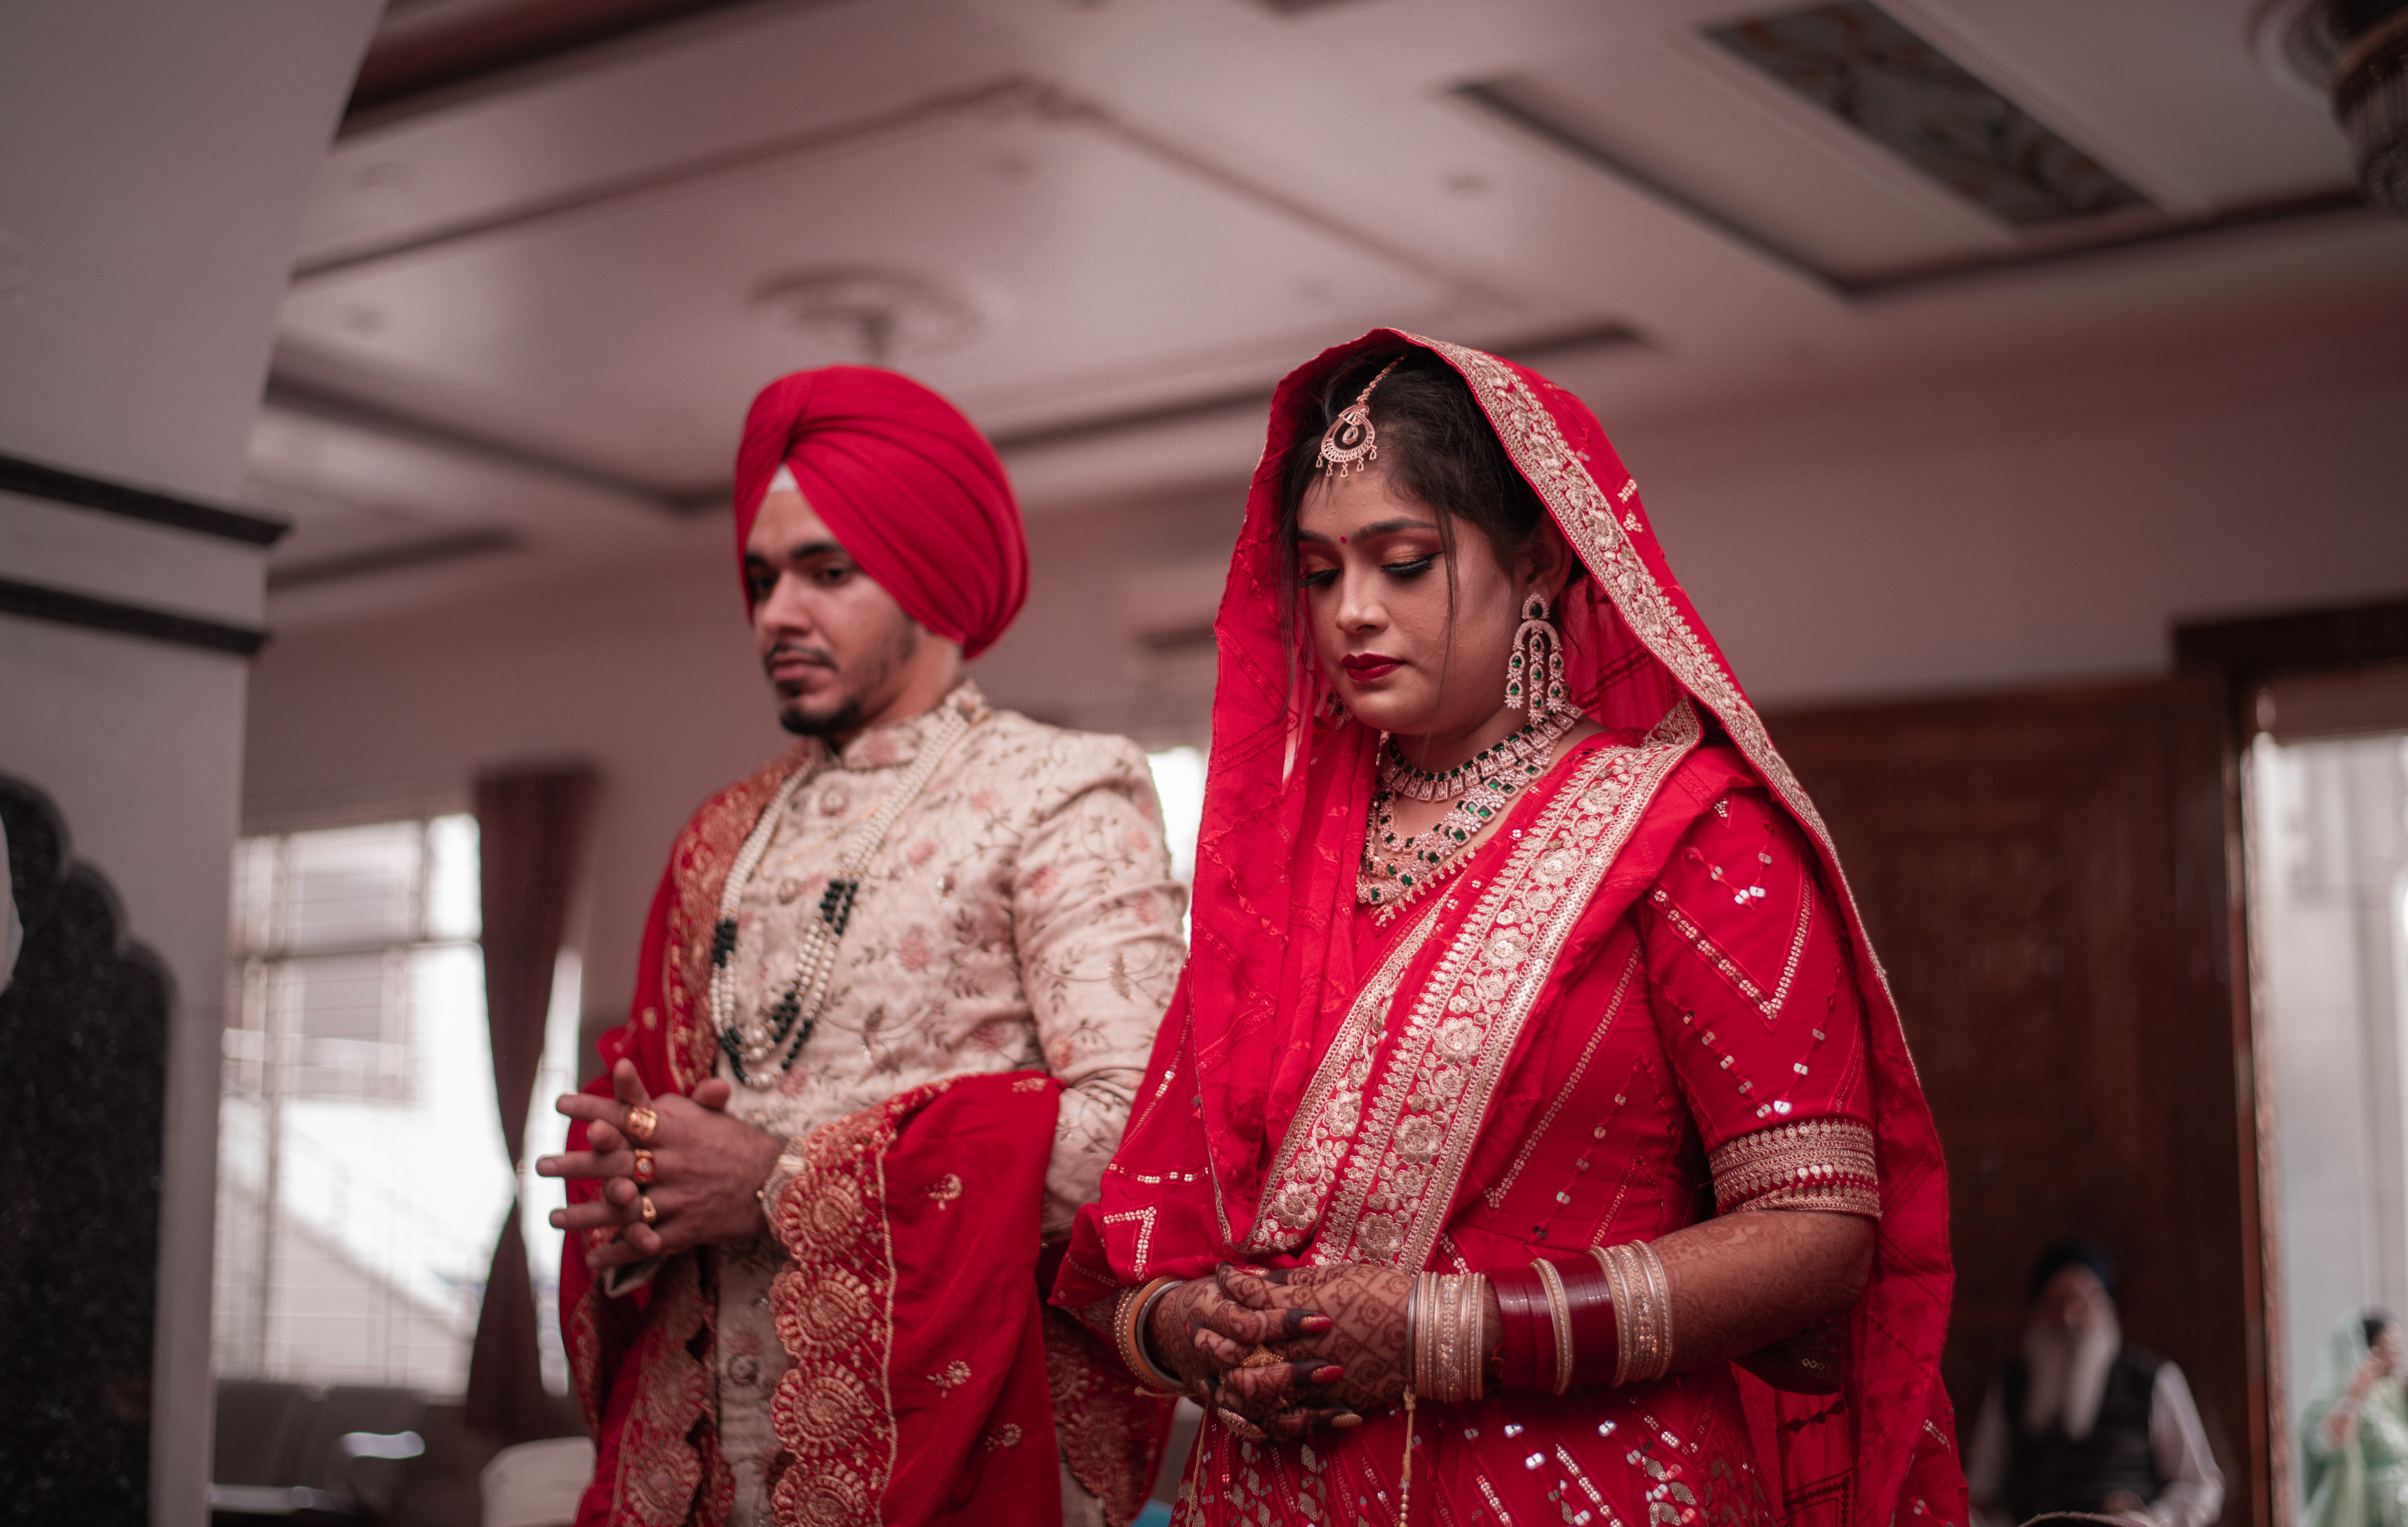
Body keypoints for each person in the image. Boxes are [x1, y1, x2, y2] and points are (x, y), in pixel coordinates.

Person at [1050, 332, 1966, 1525]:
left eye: (1404, 561)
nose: (1352, 613)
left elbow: (1814, 1230)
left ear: (1534, 562)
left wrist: (1445, 1335)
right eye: (1321, 573)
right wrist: (1183, 1330)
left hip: (1582, 1488)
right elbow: (1140, 1246)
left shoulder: (1691, 836)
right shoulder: (1278, 871)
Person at [535, 366, 1185, 1527]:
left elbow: (1140, 1139)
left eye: (827, 572)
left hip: (959, 1441)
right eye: (760, 576)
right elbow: (675, 1124)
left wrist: (780, 1185)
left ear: (933, 575)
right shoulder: (719, 838)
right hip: (708, 1461)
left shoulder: (1060, 790)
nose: (778, 611)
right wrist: (642, 1188)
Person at [1965, 1241, 2223, 1527]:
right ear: (2038, 1311)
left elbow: (2201, 1485)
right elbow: (1982, 1486)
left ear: (2105, 1307)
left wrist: (2151, 1520)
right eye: (2057, 1304)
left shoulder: (2155, 1379)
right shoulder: (2011, 1382)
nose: (2069, 1318)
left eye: (2082, 1303)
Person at [2301, 1310, 2408, 1527]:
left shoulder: (2392, 1400)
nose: (2395, 1360)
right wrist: (2357, 1392)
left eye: (2397, 1350)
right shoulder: (2329, 1403)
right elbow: (2330, 1443)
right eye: (2386, 1351)